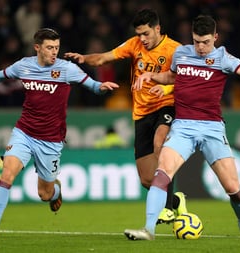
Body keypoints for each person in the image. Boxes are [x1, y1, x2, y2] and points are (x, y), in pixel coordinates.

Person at [124, 15, 240, 240]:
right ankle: (148, 229)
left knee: (234, 189)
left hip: (212, 129)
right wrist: (151, 76)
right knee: (162, 173)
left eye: (205, 42)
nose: (201, 47)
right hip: (183, 126)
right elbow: (172, 76)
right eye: (196, 41)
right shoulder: (182, 53)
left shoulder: (223, 58)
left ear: (215, 37)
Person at [0, 28, 119, 242]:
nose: (54, 52)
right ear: (37, 47)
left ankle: (55, 191)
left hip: (51, 140)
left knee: (44, 194)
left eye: (56, 48)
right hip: (24, 132)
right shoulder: (24, 65)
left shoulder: (66, 69)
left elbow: (92, 86)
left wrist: (101, 86)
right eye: (49, 48)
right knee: (7, 174)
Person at [65, 8, 187, 223]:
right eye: (139, 34)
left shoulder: (175, 50)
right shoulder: (134, 44)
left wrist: (166, 89)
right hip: (141, 112)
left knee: (161, 144)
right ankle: (177, 201)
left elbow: (185, 81)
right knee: (147, 179)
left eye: (146, 34)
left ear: (157, 29)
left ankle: (167, 209)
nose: (142, 38)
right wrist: (85, 58)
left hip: (167, 106)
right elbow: (103, 58)